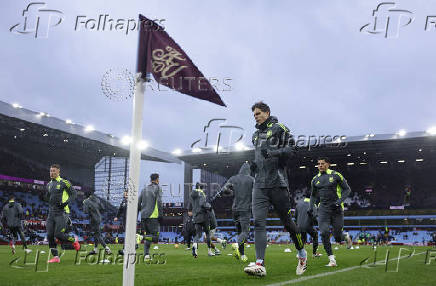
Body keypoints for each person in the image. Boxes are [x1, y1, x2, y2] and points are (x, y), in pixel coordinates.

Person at [244, 102, 307, 277]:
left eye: (258, 113)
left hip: (278, 184)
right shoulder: (256, 135)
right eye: (254, 115)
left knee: (288, 223)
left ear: (267, 112)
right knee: (258, 222)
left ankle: (302, 255)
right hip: (260, 185)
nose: (255, 116)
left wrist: (274, 153)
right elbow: (259, 156)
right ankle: (260, 264)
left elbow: (292, 148)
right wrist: (255, 165)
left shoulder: (279, 128)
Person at [309, 157, 352, 267]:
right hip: (323, 209)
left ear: (328, 164)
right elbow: (313, 195)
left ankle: (345, 236)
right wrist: (311, 207)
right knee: (324, 232)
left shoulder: (336, 175)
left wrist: (339, 202)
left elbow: (347, 189)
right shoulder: (315, 179)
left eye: (322, 163)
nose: (320, 166)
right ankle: (332, 260)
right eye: (318, 164)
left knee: (337, 236)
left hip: (337, 209)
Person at [45, 164, 81, 263]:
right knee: (49, 235)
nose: (52, 173)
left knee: (59, 234)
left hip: (62, 212)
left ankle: (74, 240)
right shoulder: (48, 185)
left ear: (58, 172)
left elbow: (74, 194)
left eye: (54, 171)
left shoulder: (64, 182)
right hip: (51, 213)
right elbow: (48, 197)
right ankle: (56, 257)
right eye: (51, 171)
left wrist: (65, 203)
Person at [221, 162, 254, 262]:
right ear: (249, 170)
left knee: (239, 232)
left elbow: (224, 189)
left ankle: (242, 254)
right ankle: (236, 244)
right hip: (245, 209)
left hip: (234, 209)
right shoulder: (251, 180)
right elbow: (258, 192)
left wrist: (231, 192)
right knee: (245, 232)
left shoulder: (233, 178)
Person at [137, 173, 162, 260]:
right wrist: (161, 214)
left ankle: (146, 255)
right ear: (157, 179)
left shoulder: (144, 189)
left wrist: (140, 213)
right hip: (153, 215)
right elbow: (159, 201)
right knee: (155, 237)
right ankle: (140, 237)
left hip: (144, 215)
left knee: (149, 235)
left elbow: (138, 202)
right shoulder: (158, 188)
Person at [189, 183, 212, 258]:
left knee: (198, 234)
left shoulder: (191, 194)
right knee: (207, 233)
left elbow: (190, 205)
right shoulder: (201, 193)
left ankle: (195, 246)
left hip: (195, 216)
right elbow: (202, 204)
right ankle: (209, 251)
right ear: (201, 188)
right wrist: (208, 206)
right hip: (203, 216)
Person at [295, 192, 321, 258]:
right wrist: (316, 223)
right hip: (308, 225)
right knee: (315, 235)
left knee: (302, 239)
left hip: (299, 225)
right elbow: (314, 216)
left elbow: (295, 216)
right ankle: (314, 253)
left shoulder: (299, 203)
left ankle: (300, 254)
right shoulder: (313, 204)